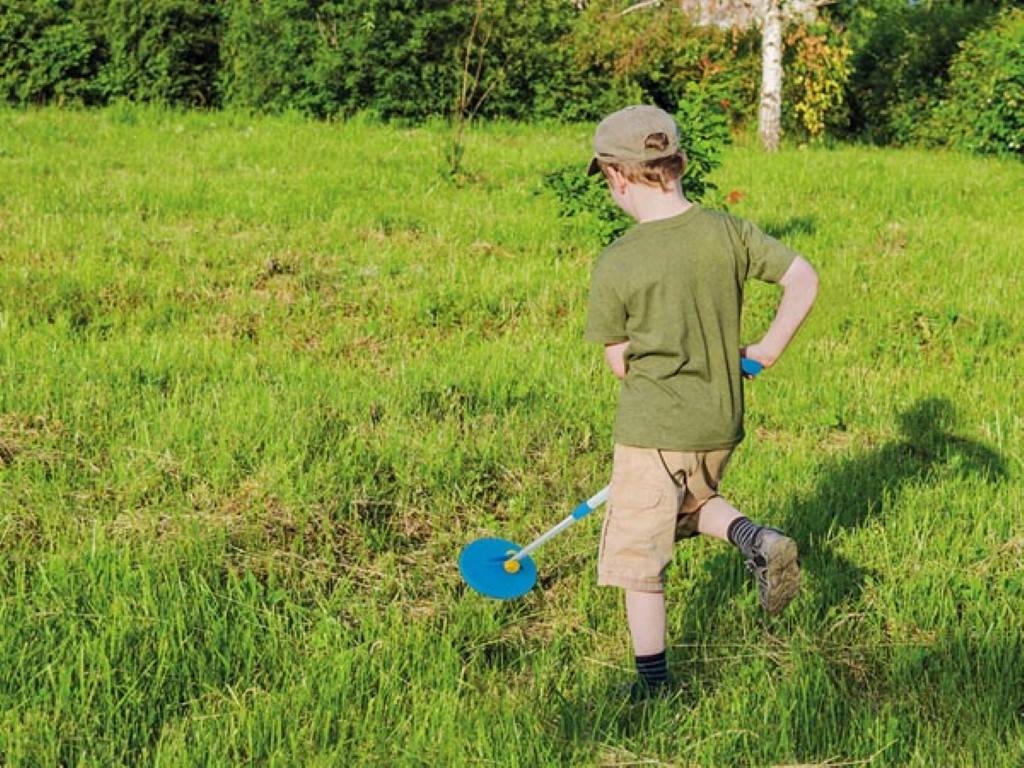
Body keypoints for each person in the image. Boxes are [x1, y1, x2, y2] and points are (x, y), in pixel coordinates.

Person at [584, 105, 819, 700]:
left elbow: (618, 360)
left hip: (652, 425)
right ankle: (756, 539)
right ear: (676, 163)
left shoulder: (618, 260)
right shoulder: (728, 231)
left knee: (640, 561)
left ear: (616, 176)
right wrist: (765, 349)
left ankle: (652, 687)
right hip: (720, 421)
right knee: (690, 503)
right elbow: (803, 278)